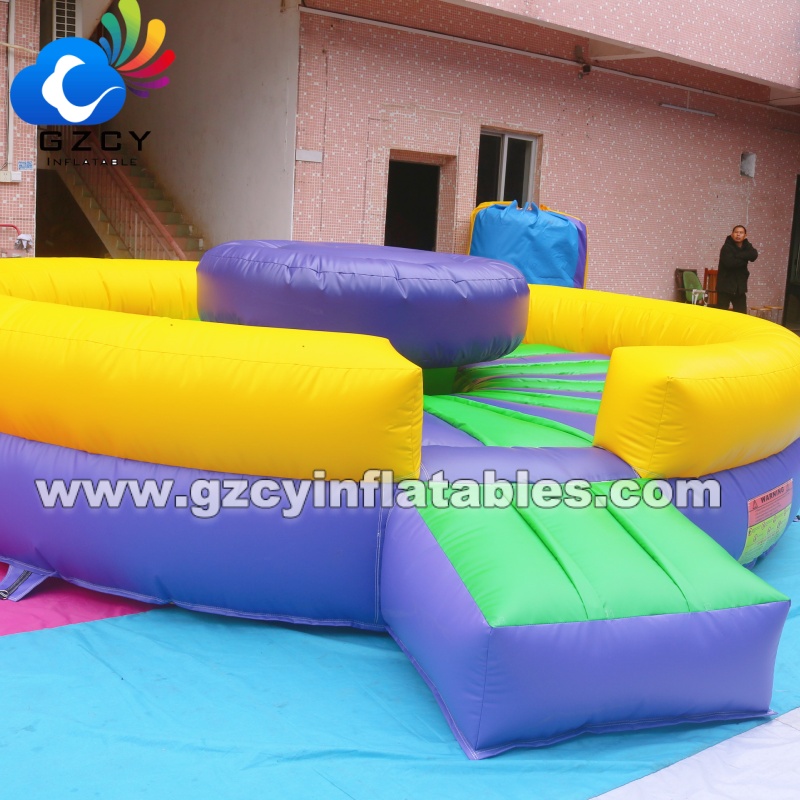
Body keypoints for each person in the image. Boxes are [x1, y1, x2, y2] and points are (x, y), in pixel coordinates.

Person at [716, 225, 758, 312]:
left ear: (745, 235)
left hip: (740, 288)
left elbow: (754, 255)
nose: (738, 234)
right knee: (721, 314)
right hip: (725, 287)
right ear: (732, 234)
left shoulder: (747, 245)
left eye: (741, 233)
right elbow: (730, 263)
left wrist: (738, 255)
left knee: (741, 314)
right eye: (736, 232)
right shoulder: (726, 247)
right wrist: (745, 259)